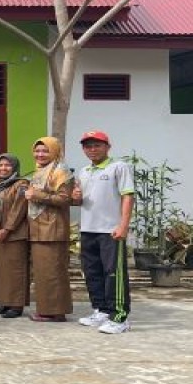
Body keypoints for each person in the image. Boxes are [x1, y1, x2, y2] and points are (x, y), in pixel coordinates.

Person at [72, 130, 136, 334]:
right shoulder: (83, 172)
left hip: (110, 230)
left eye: (97, 145)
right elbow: (81, 201)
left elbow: (128, 196)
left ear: (108, 147)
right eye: (88, 146)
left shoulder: (119, 167)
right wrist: (75, 197)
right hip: (88, 229)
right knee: (92, 273)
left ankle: (119, 317)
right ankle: (101, 310)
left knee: (113, 273)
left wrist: (123, 225)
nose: (92, 149)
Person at [24, 137, 75, 322]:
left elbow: (64, 199)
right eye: (37, 150)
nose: (40, 154)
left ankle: (54, 311)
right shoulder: (41, 171)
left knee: (52, 272)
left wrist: (36, 195)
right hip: (39, 228)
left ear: (54, 151)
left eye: (45, 151)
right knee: (44, 273)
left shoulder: (61, 171)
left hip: (52, 228)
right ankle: (47, 310)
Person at [0, 153, 30, 318]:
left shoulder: (21, 184)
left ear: (15, 167)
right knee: (3, 270)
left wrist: (7, 229)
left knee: (15, 270)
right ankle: (5, 302)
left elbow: (19, 209)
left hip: (14, 234)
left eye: (7, 165)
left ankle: (16, 306)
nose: (3, 168)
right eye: (0, 165)